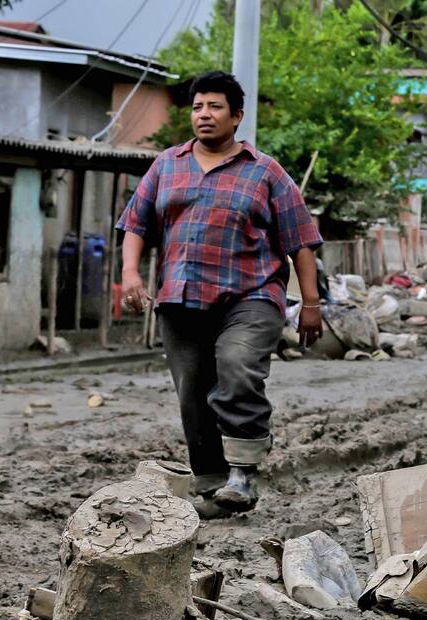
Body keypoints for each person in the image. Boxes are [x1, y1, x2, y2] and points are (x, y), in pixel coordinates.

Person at [117, 70, 323, 518]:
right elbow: (135, 224)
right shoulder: (166, 165)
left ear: (236, 117)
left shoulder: (265, 172)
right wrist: (130, 273)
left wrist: (311, 304)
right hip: (181, 297)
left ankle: (244, 472)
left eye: (214, 107)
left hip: (250, 295)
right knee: (192, 390)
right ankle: (212, 486)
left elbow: (300, 242)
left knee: (236, 366)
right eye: (197, 107)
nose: (203, 115)